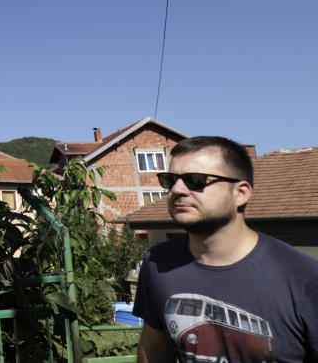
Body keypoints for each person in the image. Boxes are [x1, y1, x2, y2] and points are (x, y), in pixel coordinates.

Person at [133, 136, 318, 363]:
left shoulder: (304, 277)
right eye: (170, 180)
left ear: (240, 193)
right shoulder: (157, 263)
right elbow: (153, 349)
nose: (177, 190)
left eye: (195, 180)